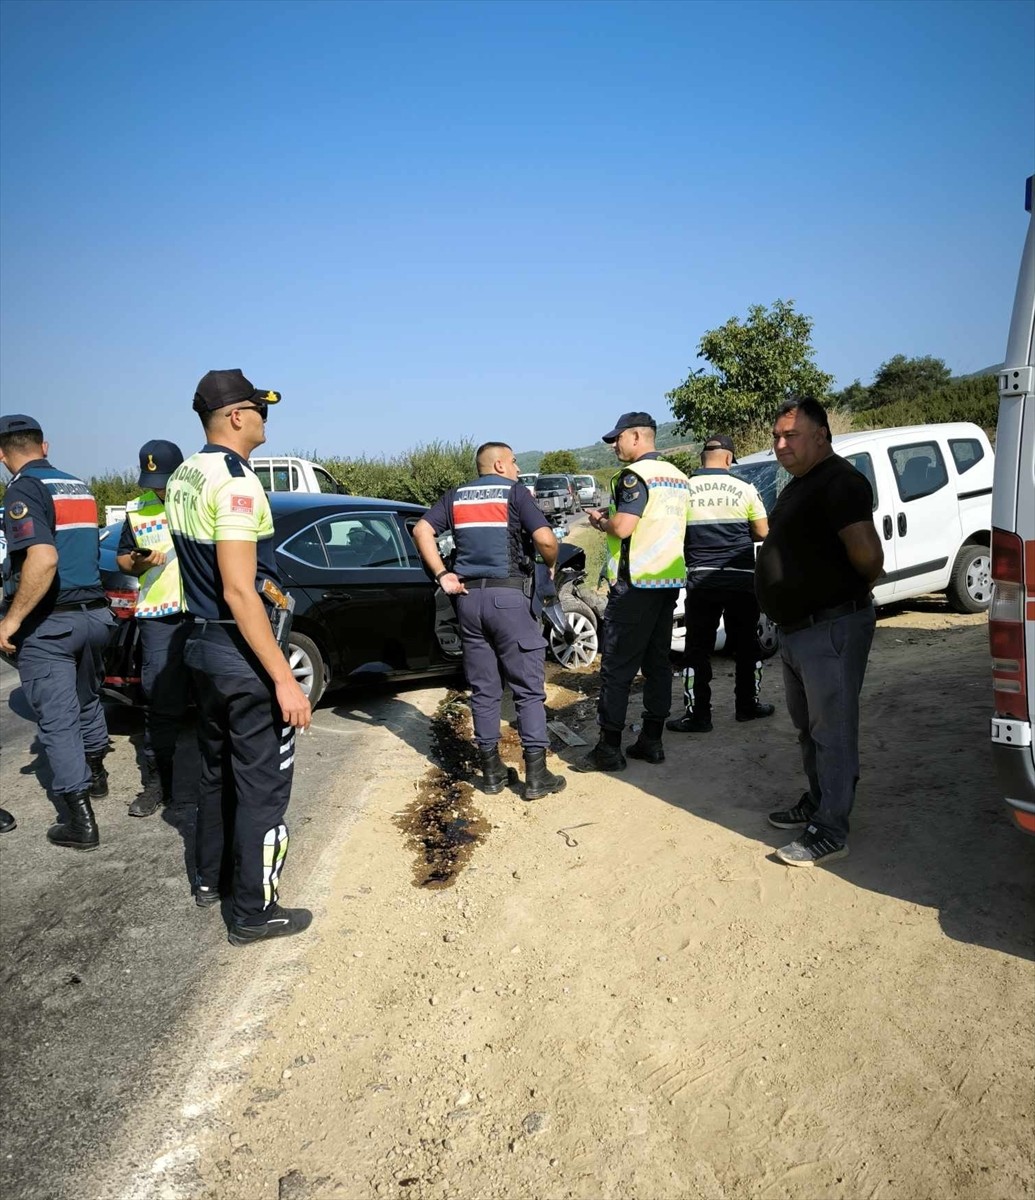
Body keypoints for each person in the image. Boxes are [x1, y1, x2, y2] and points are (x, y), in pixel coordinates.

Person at [165, 369, 313, 945]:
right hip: (238, 647)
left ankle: (211, 879)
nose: (264, 419)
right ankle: (255, 911)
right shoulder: (235, 481)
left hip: (200, 644)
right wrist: (284, 678)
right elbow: (238, 589)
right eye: (260, 409)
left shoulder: (184, 474)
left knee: (213, 769)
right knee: (263, 787)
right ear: (234, 416)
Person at [755, 397, 884, 867]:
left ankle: (831, 829)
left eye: (791, 435)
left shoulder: (841, 482)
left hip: (830, 626)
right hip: (798, 630)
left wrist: (839, 596)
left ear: (822, 435)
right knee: (809, 728)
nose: (780, 444)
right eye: (776, 437)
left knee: (833, 730)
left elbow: (868, 556)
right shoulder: (800, 484)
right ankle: (819, 800)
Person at [411, 442, 566, 801]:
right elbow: (544, 538)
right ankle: (537, 777)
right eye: (512, 461)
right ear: (499, 464)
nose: (515, 467)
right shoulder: (514, 492)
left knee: (484, 689)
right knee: (527, 689)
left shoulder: (456, 496)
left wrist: (442, 575)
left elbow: (421, 530)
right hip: (509, 599)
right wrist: (550, 561)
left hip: (468, 600)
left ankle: (493, 773)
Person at [0, 413, 114, 849]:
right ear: (44, 447)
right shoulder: (77, 485)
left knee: (58, 720)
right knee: (87, 699)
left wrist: (12, 619)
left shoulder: (23, 490)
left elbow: (43, 559)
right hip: (95, 617)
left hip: (53, 623)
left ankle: (78, 820)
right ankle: (98, 772)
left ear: (3, 454)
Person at [575, 412, 691, 772]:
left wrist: (600, 522)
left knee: (617, 668)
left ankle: (609, 749)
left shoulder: (633, 477)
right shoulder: (678, 477)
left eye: (618, 439)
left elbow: (624, 528)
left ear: (637, 437)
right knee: (658, 664)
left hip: (636, 585)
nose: (613, 446)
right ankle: (651, 741)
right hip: (667, 582)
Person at [668, 433, 773, 734]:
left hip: (701, 581)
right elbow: (763, 531)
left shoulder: (684, 490)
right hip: (741, 579)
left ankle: (698, 715)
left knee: (696, 650)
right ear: (728, 459)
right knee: (747, 646)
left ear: (703, 457)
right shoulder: (745, 489)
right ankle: (747, 707)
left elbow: (677, 532)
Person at [115, 439, 191, 817]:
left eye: (164, 479)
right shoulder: (137, 511)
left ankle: (213, 783)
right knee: (159, 703)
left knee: (215, 699)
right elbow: (124, 561)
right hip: (158, 617)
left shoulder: (197, 502)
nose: (158, 487)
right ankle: (157, 785)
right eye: (152, 480)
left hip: (201, 612)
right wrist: (139, 561)